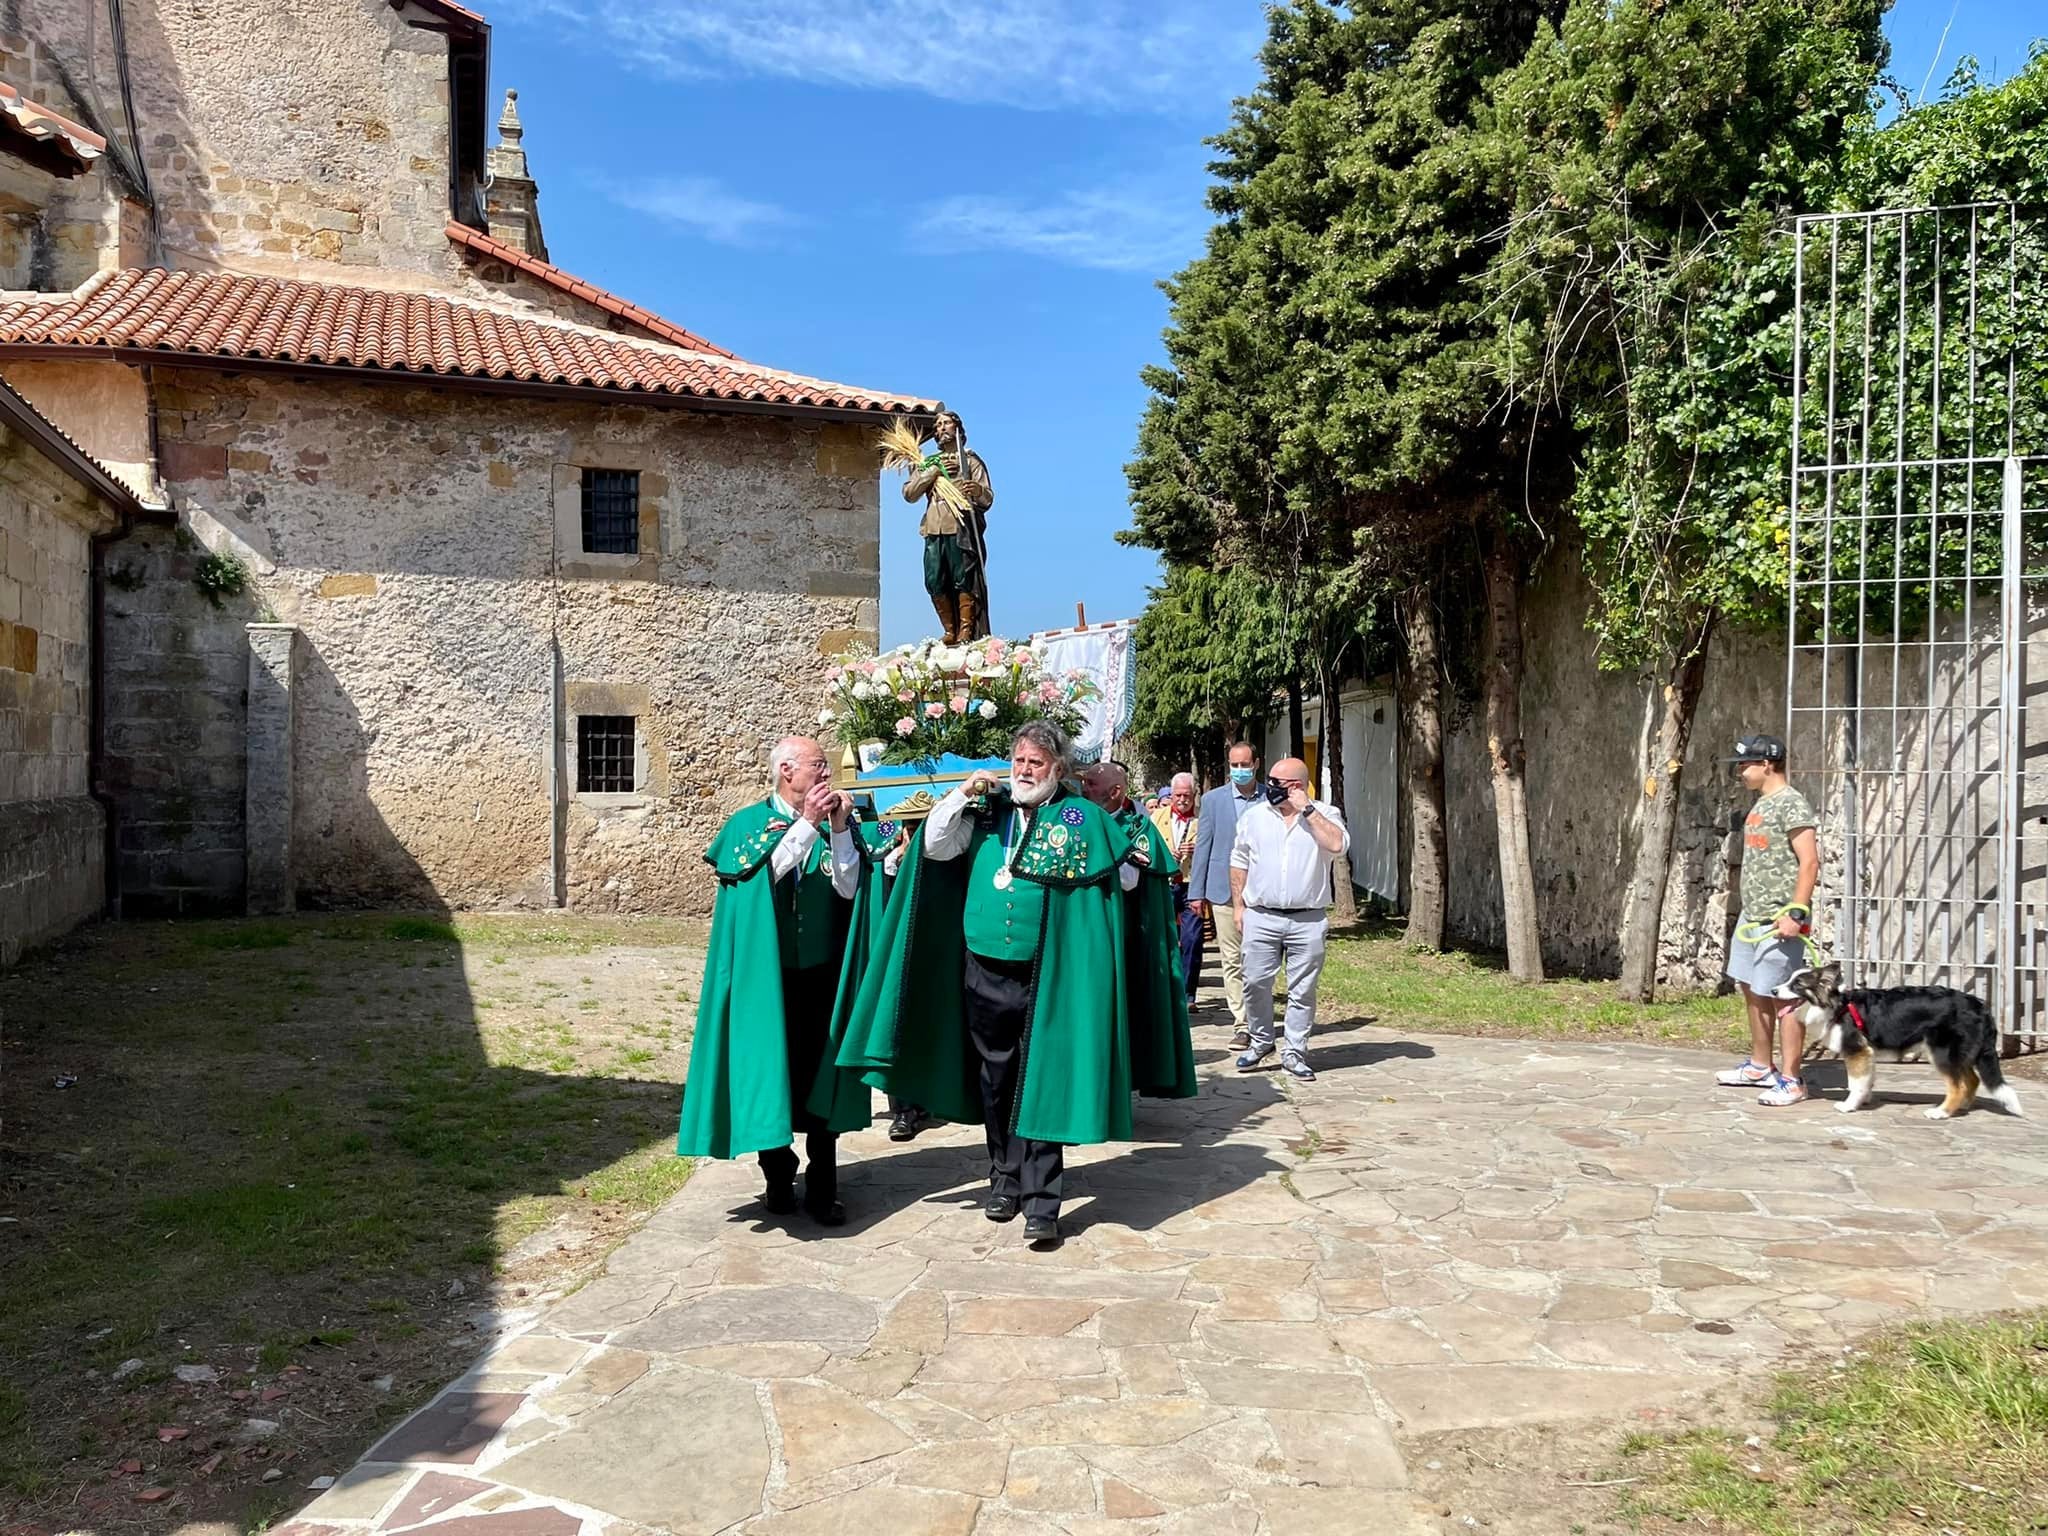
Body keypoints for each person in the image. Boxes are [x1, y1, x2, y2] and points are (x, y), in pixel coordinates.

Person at [837, 721, 1133, 1249]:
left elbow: (1124, 878)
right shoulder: (984, 813)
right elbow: (933, 846)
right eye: (1018, 760)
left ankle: (1044, 1202)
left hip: (1049, 970)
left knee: (1042, 1079)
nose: (1023, 770)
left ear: (1057, 770)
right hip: (984, 969)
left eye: (1035, 763)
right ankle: (1005, 1178)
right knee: (996, 1080)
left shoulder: (1079, 818)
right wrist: (960, 791)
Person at [676, 737, 875, 1225]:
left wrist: (840, 829)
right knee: (772, 1077)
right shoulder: (749, 825)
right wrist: (807, 824)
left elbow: (848, 887)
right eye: (816, 766)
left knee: (824, 1078)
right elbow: (768, 873)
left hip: (823, 975)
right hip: (767, 979)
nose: (825, 774)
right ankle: (777, 1176)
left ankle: (824, 1187)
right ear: (787, 770)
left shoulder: (837, 826)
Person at [1081, 761, 1200, 1103]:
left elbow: (1131, 880)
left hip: (1127, 939)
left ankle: (1116, 1089)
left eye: (1091, 784)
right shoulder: (1078, 817)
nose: (1084, 789)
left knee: (1124, 1016)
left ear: (1115, 791)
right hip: (1084, 935)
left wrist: (1100, 840)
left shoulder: (1138, 828)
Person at [1716, 733, 1821, 1107]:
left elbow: (1809, 861)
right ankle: (1762, 1066)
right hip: (1754, 916)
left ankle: (1793, 1080)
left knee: (1785, 998)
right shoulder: (1760, 805)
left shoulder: (1792, 805)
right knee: (1750, 986)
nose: (1741, 771)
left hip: (1780, 920)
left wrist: (1797, 911)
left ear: (1767, 764)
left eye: (1745, 764)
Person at [1231, 756, 1349, 1082]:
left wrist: (1307, 810)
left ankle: (1295, 1053)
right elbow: (1239, 861)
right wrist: (1239, 907)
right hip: (1261, 915)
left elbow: (1338, 846)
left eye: (1277, 782)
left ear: (1296, 786)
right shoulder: (1254, 817)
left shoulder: (1326, 815)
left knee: (1302, 990)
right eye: (1269, 780)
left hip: (1307, 919)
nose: (1269, 787)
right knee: (1254, 983)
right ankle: (1261, 1041)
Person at [1189, 742, 1265, 1046]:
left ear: (1256, 764)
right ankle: (1242, 1022)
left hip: (1261, 892)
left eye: (1245, 764)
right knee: (1232, 959)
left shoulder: (1269, 799)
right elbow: (1203, 847)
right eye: (1234, 765)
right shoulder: (1212, 801)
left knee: (1258, 960)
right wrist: (1197, 891)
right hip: (1222, 891)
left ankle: (1260, 1014)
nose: (1239, 770)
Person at [902, 409, 994, 643]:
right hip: (934, 526)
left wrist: (977, 491)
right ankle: (949, 629)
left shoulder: (971, 460)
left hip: (959, 525)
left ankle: (965, 628)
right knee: (934, 579)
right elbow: (909, 493)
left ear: (958, 429)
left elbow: (988, 497)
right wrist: (932, 474)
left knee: (962, 576)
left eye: (947, 423)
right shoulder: (928, 463)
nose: (941, 428)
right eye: (938, 425)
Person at [1151, 772, 1203, 1002]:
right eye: (1178, 795)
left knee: (1192, 939)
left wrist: (1197, 850)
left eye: (1187, 795)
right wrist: (1164, 854)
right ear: (1171, 795)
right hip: (1165, 883)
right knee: (1161, 937)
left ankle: (1187, 994)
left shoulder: (1203, 818)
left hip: (1192, 885)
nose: (1182, 800)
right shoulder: (1156, 817)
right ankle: (1162, 987)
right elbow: (1148, 849)